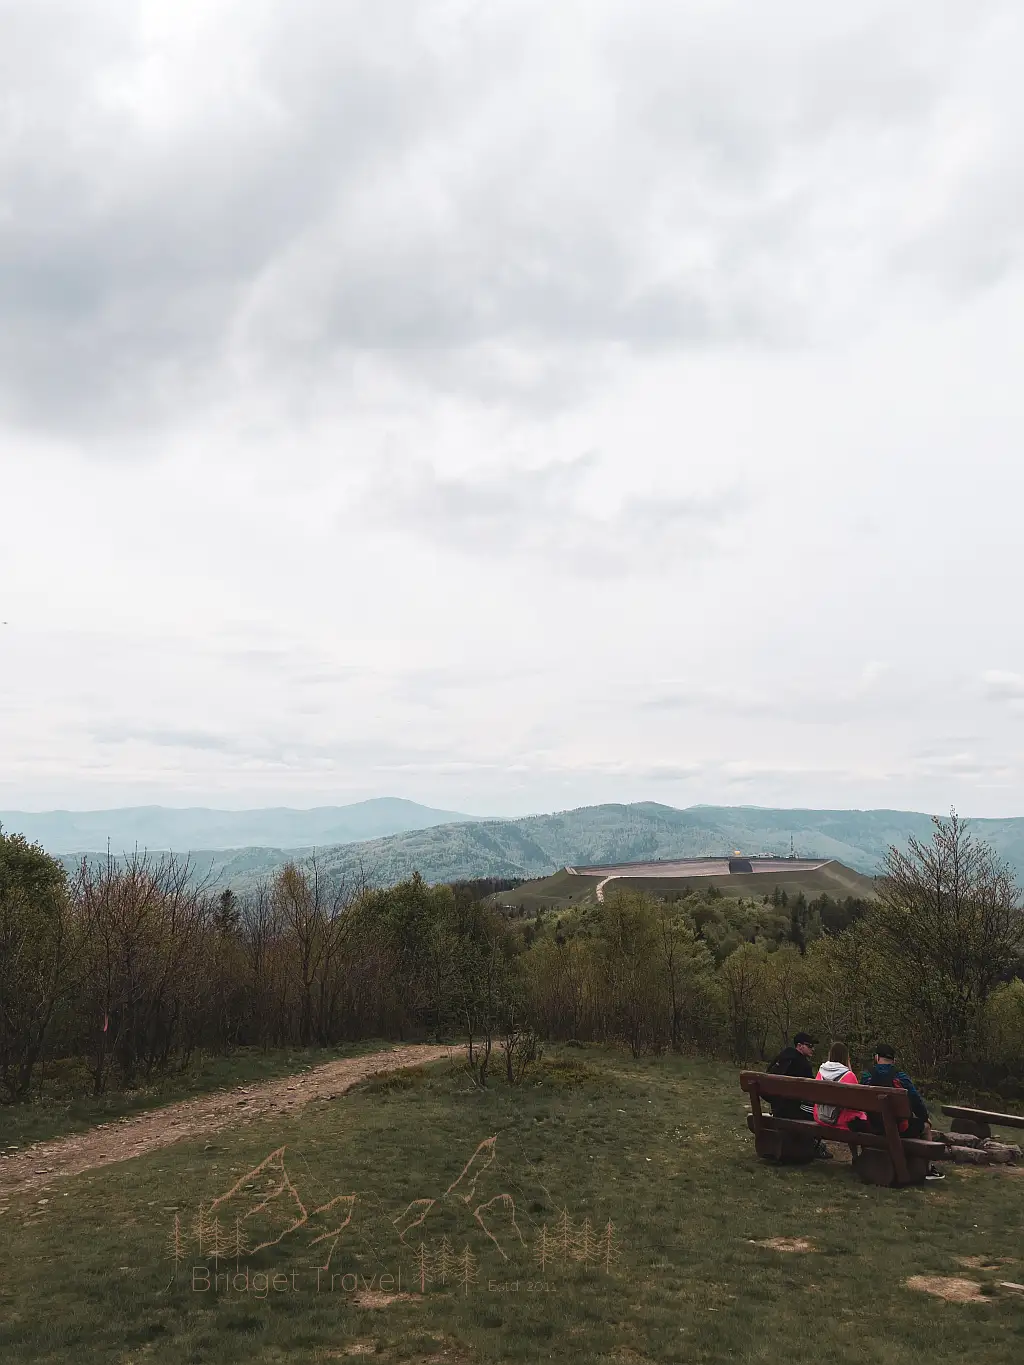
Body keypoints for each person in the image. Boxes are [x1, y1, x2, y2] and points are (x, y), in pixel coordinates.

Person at [860, 1043, 944, 1181]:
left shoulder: (866, 1076)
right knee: (925, 1127)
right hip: (899, 1129)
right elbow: (916, 1100)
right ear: (894, 1060)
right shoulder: (900, 1077)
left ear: (876, 1057)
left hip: (873, 1126)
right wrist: (925, 1118)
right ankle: (928, 1169)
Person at [767, 1031, 832, 1158]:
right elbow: (812, 1092)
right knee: (818, 1113)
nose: (812, 1049)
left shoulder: (781, 1058)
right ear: (799, 1046)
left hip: (777, 1107)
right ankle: (816, 1146)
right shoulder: (803, 1064)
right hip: (793, 1110)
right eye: (809, 1045)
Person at [813, 1042, 867, 1130]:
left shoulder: (820, 1072)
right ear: (846, 1057)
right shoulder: (849, 1075)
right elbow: (858, 1103)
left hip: (820, 1117)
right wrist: (849, 1069)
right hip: (841, 1122)